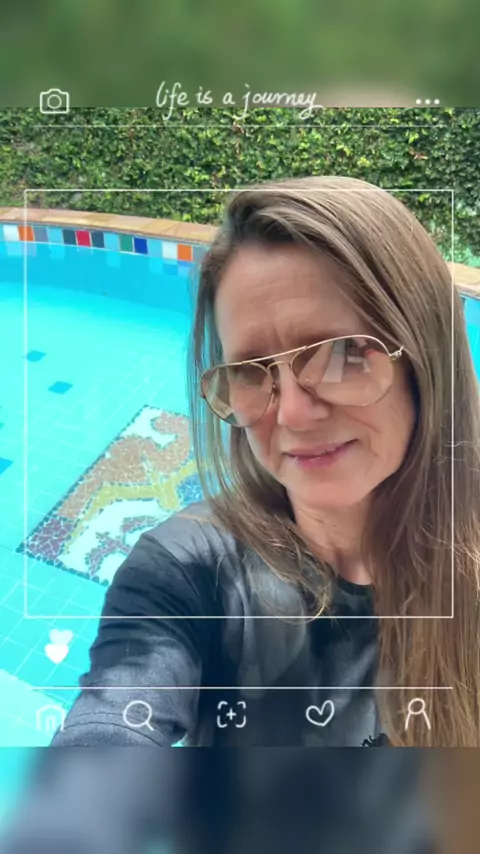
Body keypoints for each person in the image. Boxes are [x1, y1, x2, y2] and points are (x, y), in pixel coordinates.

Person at [1, 175, 479, 851]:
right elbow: (108, 737)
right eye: (253, 371)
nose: (293, 415)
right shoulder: (187, 572)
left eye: (343, 353)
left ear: (423, 358)